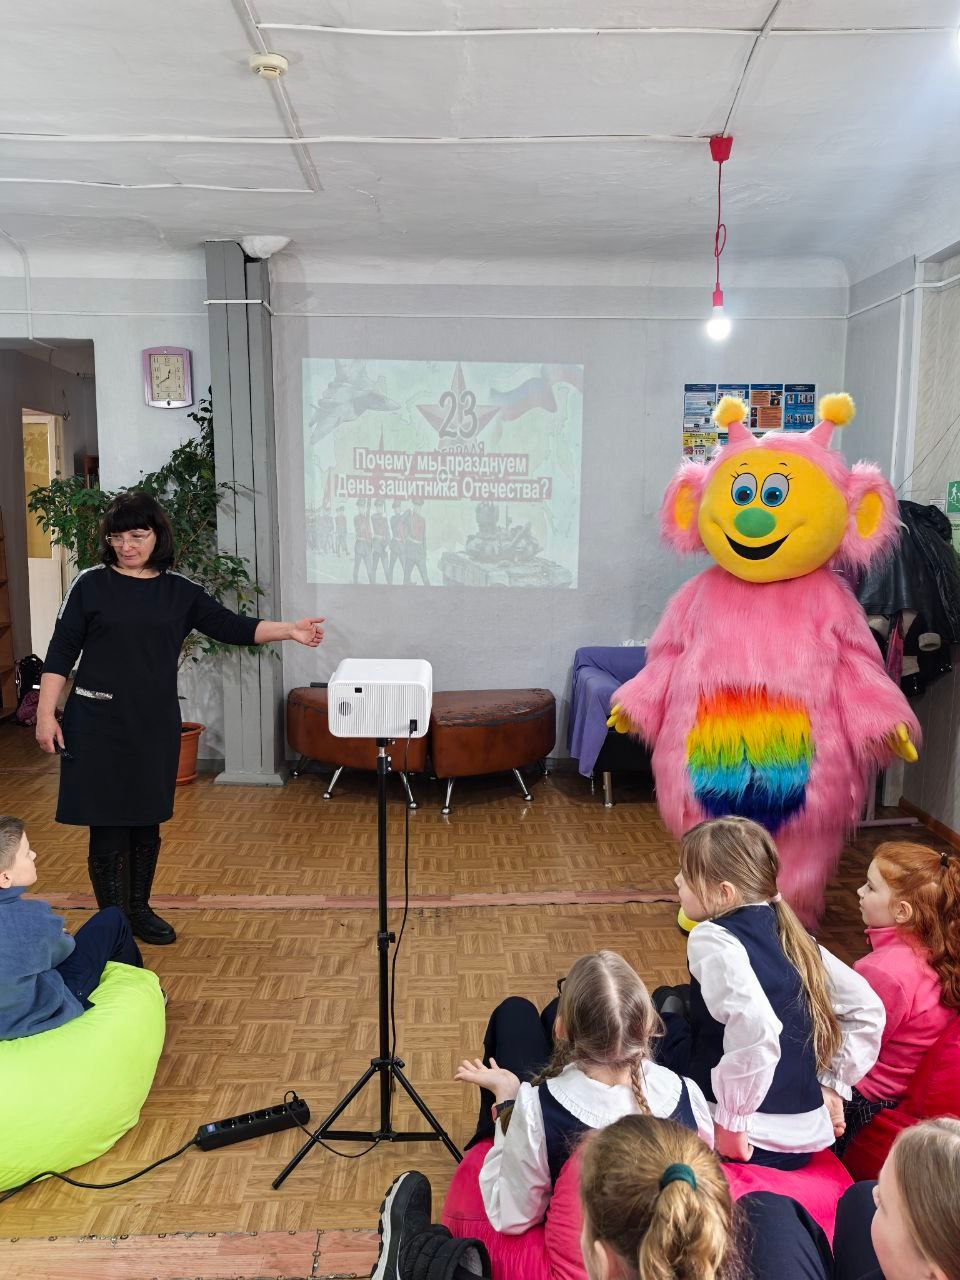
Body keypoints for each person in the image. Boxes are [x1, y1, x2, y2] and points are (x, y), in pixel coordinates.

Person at [34, 491, 326, 947]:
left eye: (137, 535)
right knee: (107, 824)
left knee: (145, 820)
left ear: (157, 535)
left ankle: (139, 909)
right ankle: (113, 923)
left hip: (152, 724)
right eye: (117, 537)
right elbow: (61, 651)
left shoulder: (179, 591)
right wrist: (45, 714)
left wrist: (289, 629)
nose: (126, 546)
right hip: (96, 723)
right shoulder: (90, 584)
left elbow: (231, 626)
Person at [654, 816, 884, 1168]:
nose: (677, 880)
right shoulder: (794, 934)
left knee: (663, 1023)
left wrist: (732, 1123)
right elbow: (867, 1008)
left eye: (686, 874)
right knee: (686, 1004)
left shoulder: (709, 937)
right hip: (803, 1136)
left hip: (750, 1138)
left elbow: (757, 1031)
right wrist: (831, 1084)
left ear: (724, 893)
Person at [453, 951, 714, 1234]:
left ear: (561, 1029)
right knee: (547, 1009)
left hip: (573, 1239)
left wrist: (507, 1102)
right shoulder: (687, 1094)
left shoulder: (535, 1110)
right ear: (648, 1026)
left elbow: (511, 1215)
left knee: (514, 1010)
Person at [836, 843, 960, 1153]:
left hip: (863, 1098)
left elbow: (848, 1045)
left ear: (902, 912)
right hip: (897, 1093)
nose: (859, 892)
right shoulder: (936, 951)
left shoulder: (886, 971)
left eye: (870, 887)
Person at [0, 816, 145, 1041]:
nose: (34, 855)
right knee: (113, 919)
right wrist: (56, 937)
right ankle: (142, 997)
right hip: (32, 1015)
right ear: (5, 877)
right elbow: (63, 952)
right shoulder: (34, 916)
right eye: (27, 853)